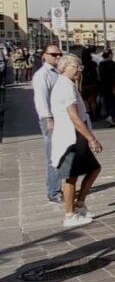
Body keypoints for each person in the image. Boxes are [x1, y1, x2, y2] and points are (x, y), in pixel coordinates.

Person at [50, 54, 102, 227]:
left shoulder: (68, 85)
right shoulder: (65, 87)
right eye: (76, 67)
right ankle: (69, 215)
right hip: (70, 138)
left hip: (76, 137)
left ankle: (79, 204)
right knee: (70, 177)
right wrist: (92, 139)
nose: (79, 71)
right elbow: (74, 117)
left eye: (81, 68)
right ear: (65, 67)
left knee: (94, 168)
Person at [32, 44, 64, 203]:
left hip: (60, 118)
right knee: (55, 156)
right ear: (44, 56)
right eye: (54, 54)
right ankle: (54, 192)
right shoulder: (42, 75)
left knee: (58, 155)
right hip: (51, 119)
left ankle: (52, 185)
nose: (58, 57)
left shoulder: (57, 72)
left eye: (59, 54)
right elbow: (41, 100)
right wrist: (48, 119)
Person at [98, 50, 115, 126]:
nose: (112, 55)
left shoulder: (101, 64)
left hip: (104, 86)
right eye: (112, 54)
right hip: (112, 86)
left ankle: (110, 119)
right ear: (109, 55)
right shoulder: (111, 63)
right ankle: (111, 117)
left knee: (107, 102)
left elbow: (100, 76)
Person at [80, 48, 100, 120]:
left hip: (84, 85)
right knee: (93, 101)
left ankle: (88, 115)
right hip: (93, 84)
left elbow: (79, 75)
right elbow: (98, 74)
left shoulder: (81, 64)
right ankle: (94, 115)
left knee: (85, 100)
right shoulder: (94, 63)